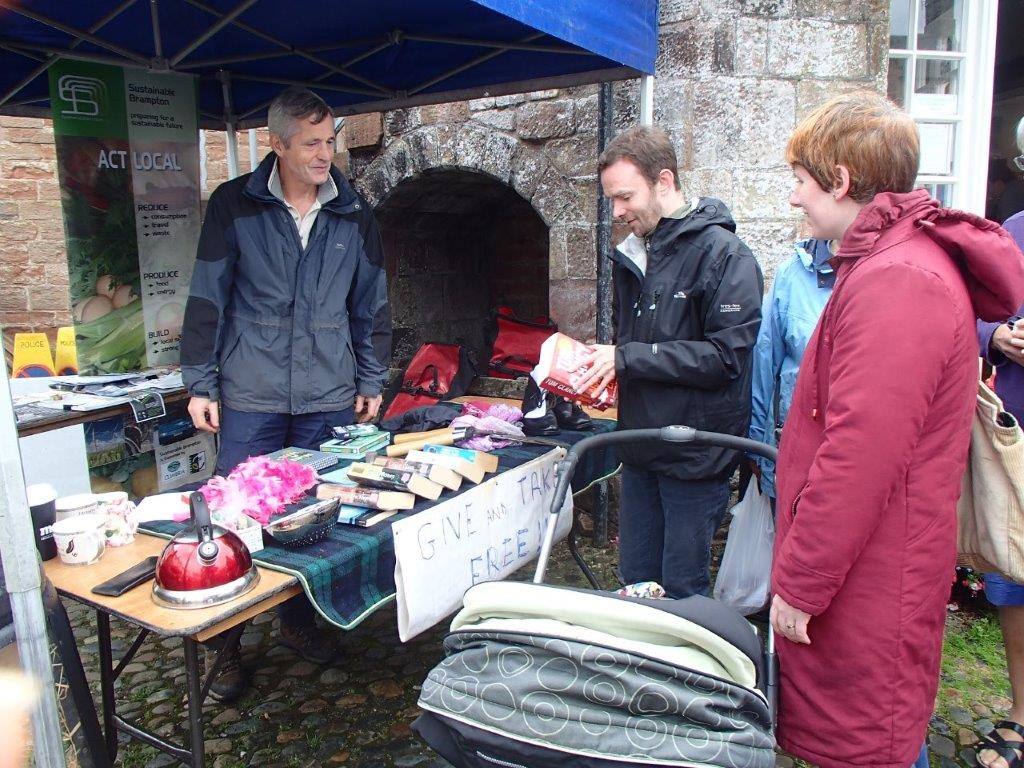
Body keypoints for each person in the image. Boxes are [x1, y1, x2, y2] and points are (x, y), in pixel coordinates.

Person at [769, 90, 1024, 768]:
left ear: (842, 180)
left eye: (800, 180)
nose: (795, 199)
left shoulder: (899, 280)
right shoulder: (888, 264)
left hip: (871, 577)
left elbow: (859, 458)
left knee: (872, 745)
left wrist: (802, 582)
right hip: (872, 567)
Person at [180, 87, 391, 700]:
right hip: (252, 392)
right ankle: (225, 646)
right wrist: (201, 381)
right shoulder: (234, 205)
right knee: (235, 520)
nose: (325, 155)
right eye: (311, 144)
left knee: (317, 517)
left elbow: (371, 304)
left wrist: (370, 379)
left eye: (330, 141)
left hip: (329, 390)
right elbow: (207, 297)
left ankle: (300, 623)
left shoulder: (354, 211)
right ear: (276, 144)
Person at [577, 125, 763, 599]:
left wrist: (629, 359)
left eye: (624, 197)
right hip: (641, 447)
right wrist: (605, 374)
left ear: (664, 181)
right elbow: (635, 346)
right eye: (612, 200)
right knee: (635, 581)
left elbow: (726, 357)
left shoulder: (727, 256)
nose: (616, 212)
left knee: (682, 590)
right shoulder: (633, 254)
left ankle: (683, 673)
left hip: (696, 454)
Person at [976, 209, 1024, 768]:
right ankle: (1021, 709)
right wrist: (999, 336)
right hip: (1019, 433)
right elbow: (980, 314)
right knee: (1015, 579)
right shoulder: (1016, 227)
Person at [747, 237, 834, 502]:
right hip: (794, 445)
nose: (795, 199)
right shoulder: (793, 274)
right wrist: (756, 447)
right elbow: (764, 362)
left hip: (855, 450)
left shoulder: (891, 273)